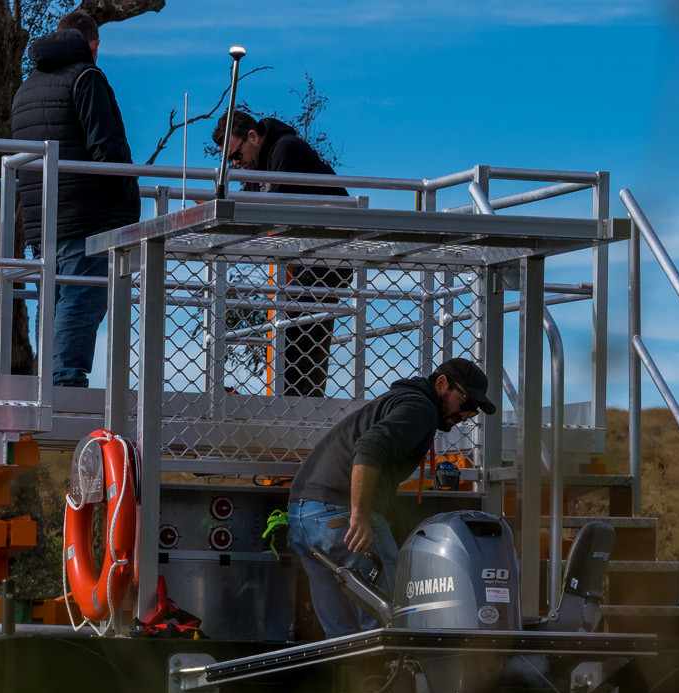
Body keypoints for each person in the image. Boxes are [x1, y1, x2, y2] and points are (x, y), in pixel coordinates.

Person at [286, 358, 498, 637]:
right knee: (388, 621)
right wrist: (360, 515)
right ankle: (388, 678)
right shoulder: (421, 408)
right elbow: (369, 448)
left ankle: (353, 680)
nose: (466, 416)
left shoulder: (399, 400)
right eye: (467, 403)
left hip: (304, 515)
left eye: (474, 412)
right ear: (442, 383)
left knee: (343, 633)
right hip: (340, 516)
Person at [9, 11, 140, 388]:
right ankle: (65, 385)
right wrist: (129, 198)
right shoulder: (86, 77)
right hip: (88, 216)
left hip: (42, 220)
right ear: (90, 44)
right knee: (82, 299)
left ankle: (46, 384)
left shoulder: (26, 88)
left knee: (52, 300)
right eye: (98, 49)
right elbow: (107, 149)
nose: (98, 56)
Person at [212, 110, 350, 397]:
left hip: (330, 249)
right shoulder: (258, 167)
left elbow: (270, 210)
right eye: (230, 161)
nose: (237, 164)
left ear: (253, 136)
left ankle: (301, 399)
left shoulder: (286, 149)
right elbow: (243, 210)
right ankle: (293, 397)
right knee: (294, 327)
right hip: (308, 255)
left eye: (236, 155)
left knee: (303, 327)